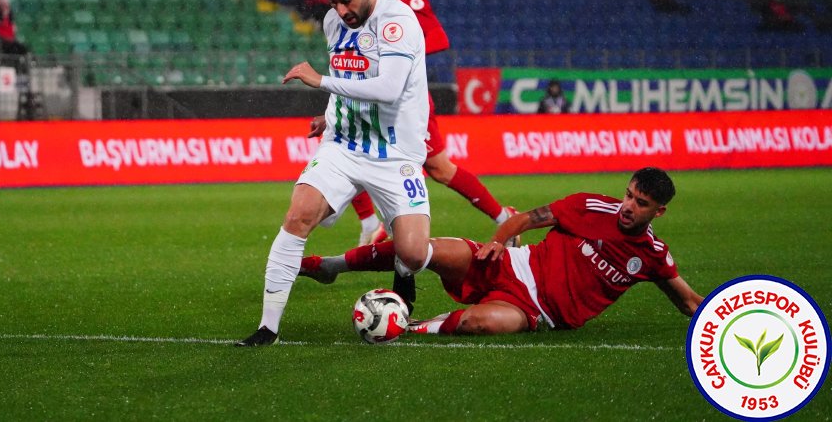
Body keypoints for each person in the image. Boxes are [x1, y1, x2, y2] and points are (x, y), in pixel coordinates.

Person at [236, 0, 432, 347]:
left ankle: (361, 268)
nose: (341, 11)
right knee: (298, 215)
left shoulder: (398, 23)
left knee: (412, 253)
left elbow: (388, 89)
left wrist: (319, 80)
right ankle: (268, 328)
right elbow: (349, 76)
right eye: (333, 2)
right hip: (343, 145)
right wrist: (329, 115)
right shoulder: (333, 22)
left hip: (395, 154)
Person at [300, 167, 703, 337]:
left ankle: (404, 326)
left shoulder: (652, 255)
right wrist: (496, 242)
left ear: (658, 211)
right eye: (629, 195)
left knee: (478, 324)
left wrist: (735, 319)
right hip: (513, 263)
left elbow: (688, 302)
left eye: (641, 203)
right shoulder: (589, 206)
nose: (629, 206)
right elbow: (524, 220)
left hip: (536, 312)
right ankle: (331, 265)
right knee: (419, 248)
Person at [347, 0, 518, 246]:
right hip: (378, 97)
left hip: (409, 103)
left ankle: (504, 218)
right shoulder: (375, 4)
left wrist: (398, 54)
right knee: (353, 152)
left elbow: (439, 40)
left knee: (440, 169)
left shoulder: (412, 3)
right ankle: (371, 224)